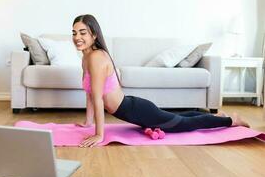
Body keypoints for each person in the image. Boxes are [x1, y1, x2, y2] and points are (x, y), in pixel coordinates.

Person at [72, 14, 249, 148]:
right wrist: (89, 122)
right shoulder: (86, 58)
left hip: (136, 110)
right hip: (132, 108)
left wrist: (99, 134)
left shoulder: (96, 57)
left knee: (184, 124)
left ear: (94, 35)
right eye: (74, 33)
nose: (77, 37)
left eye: (82, 33)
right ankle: (216, 116)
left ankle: (231, 121)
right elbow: (90, 93)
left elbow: (97, 98)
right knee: (177, 118)